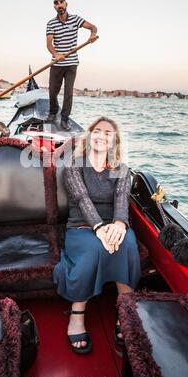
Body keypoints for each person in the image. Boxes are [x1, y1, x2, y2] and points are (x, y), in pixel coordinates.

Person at [53, 117, 141, 354]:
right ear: (90, 135)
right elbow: (82, 200)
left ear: (114, 141)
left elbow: (122, 199)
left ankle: (126, 309)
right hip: (82, 225)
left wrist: (120, 225)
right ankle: (77, 313)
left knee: (128, 244)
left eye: (108, 133)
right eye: (97, 131)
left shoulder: (120, 169)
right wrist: (99, 229)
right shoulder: (74, 165)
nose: (101, 136)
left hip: (113, 224)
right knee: (93, 249)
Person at [46, 0, 98, 131]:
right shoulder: (51, 23)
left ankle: (64, 119)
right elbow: (49, 44)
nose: (59, 5)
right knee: (53, 91)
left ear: (66, 4)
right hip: (56, 63)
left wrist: (92, 35)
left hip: (71, 63)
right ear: (54, 7)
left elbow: (93, 27)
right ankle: (53, 111)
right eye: (56, 3)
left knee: (68, 92)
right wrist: (56, 55)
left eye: (61, 2)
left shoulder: (75, 19)